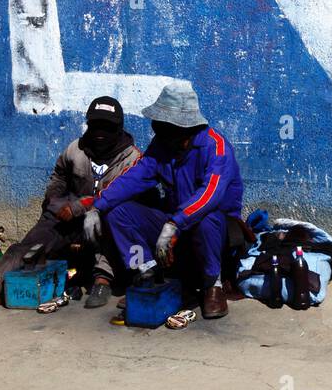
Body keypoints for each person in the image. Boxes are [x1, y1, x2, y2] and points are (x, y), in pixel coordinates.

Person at [0, 97, 140, 322]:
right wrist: (58, 205)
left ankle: (102, 279)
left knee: (114, 221)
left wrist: (78, 207)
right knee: (24, 251)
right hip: (66, 221)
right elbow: (57, 181)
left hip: (104, 224)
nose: (100, 132)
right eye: (96, 125)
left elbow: (117, 196)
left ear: (119, 128)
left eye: (107, 127)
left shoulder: (132, 158)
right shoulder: (76, 149)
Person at [87, 82, 243, 321]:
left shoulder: (216, 148)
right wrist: (98, 206)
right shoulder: (162, 146)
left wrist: (175, 223)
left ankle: (213, 284)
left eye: (162, 124)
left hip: (215, 233)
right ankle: (146, 272)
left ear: (182, 127)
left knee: (207, 216)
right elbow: (135, 177)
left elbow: (209, 196)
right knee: (118, 213)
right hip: (175, 230)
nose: (156, 129)